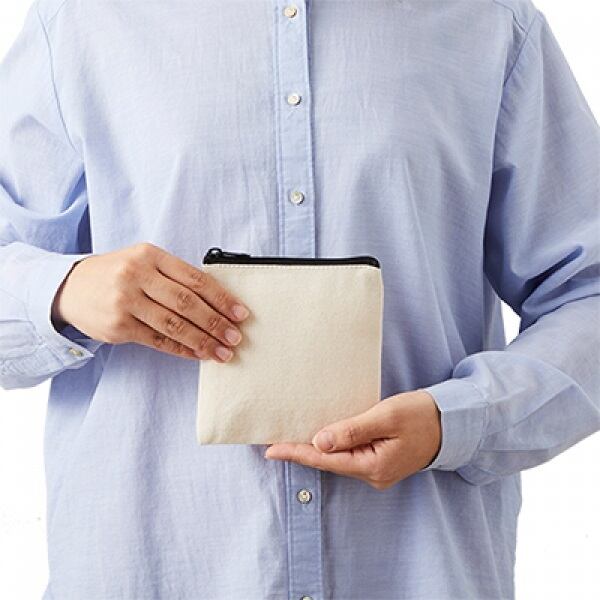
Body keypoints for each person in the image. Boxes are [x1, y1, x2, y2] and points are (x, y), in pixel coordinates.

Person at [1, 0, 598, 598]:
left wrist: (458, 421)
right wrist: (62, 290)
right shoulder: (79, 23)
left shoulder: (489, 24)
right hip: (148, 567)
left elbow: (587, 292)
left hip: (416, 568)